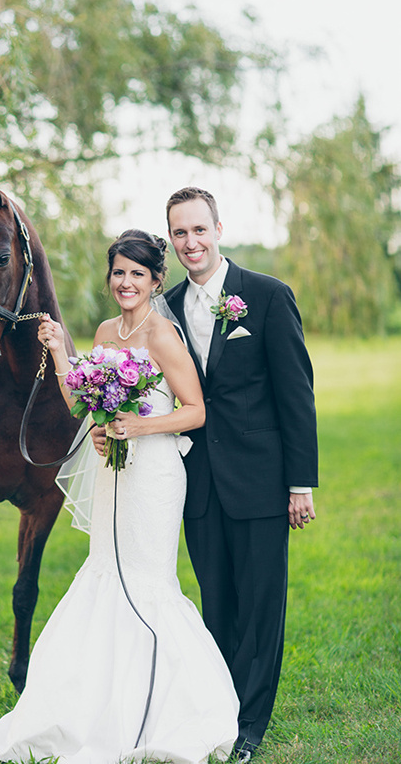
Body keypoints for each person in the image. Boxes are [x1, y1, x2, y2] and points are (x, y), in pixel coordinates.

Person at [0, 229, 239, 764]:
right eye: (119, 272)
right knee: (105, 575)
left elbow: (195, 410)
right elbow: (82, 401)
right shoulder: (105, 330)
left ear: (155, 281)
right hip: (112, 473)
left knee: (146, 585)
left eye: (137, 274)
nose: (126, 282)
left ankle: (167, 711)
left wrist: (138, 429)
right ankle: (94, 710)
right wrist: (60, 353)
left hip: (155, 476)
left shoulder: (163, 335)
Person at [162, 187, 319, 761]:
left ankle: (250, 724)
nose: (191, 242)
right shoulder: (168, 309)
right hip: (198, 487)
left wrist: (299, 484)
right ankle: (219, 711)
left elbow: (296, 396)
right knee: (216, 606)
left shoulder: (268, 297)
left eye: (199, 230)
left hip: (260, 481)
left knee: (260, 608)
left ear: (219, 228)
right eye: (180, 233)